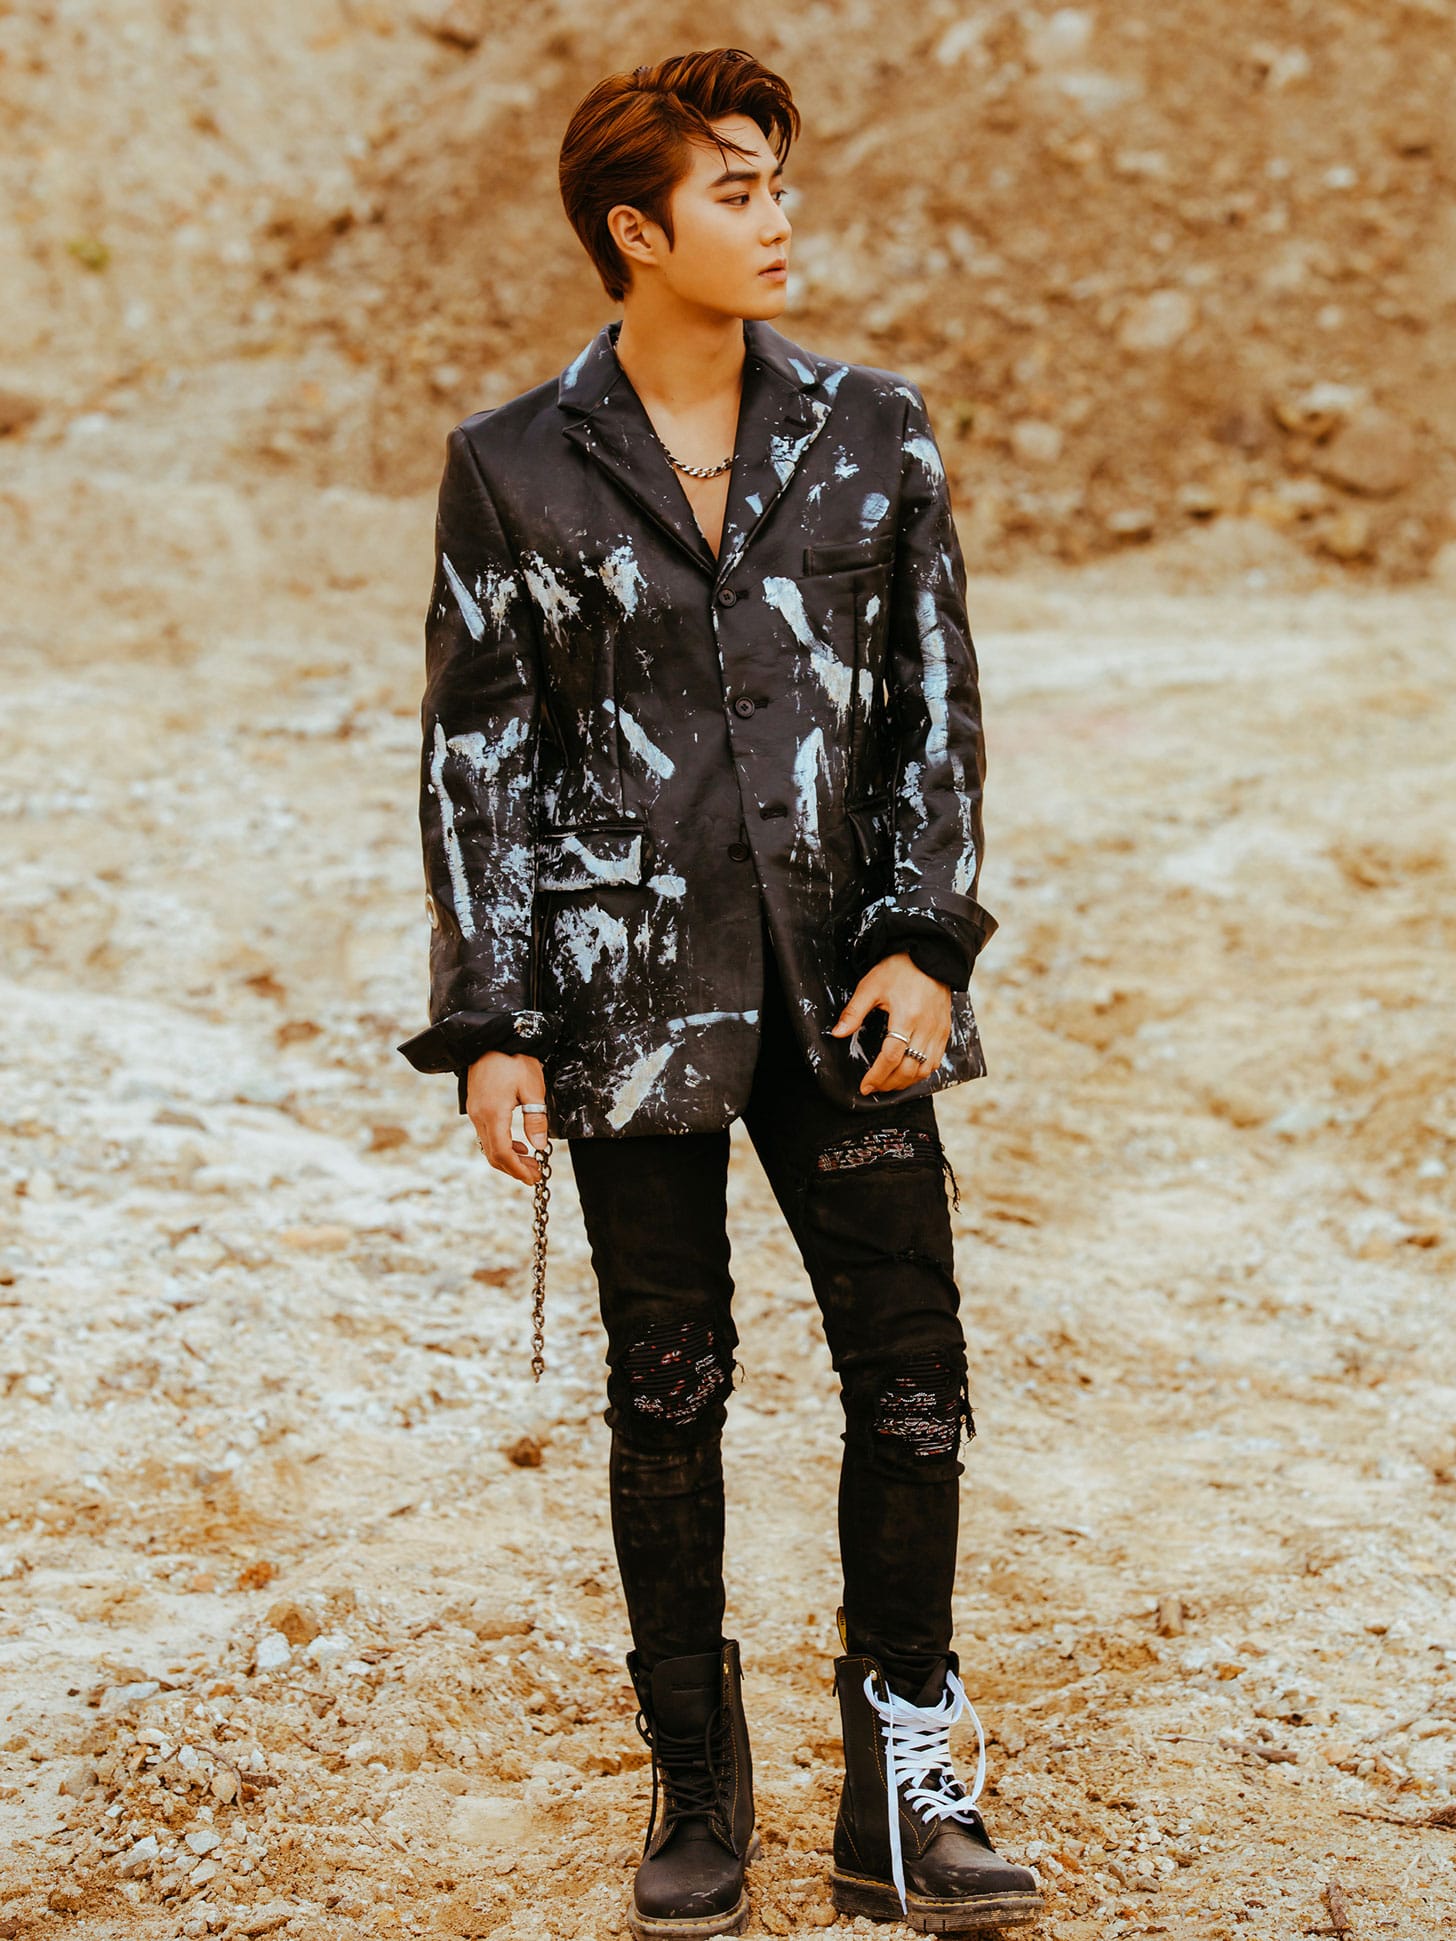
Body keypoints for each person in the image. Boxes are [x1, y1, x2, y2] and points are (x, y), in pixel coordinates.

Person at [397, 45, 1042, 1939]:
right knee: (666, 1389)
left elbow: (935, 709)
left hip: (851, 990)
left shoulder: (873, 429)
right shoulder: (512, 465)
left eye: (780, 182)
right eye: (739, 189)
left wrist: (926, 936)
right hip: (628, 998)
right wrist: (491, 1021)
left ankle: (903, 1791)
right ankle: (697, 1783)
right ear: (636, 228)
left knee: (911, 1375)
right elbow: (478, 759)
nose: (780, 218)